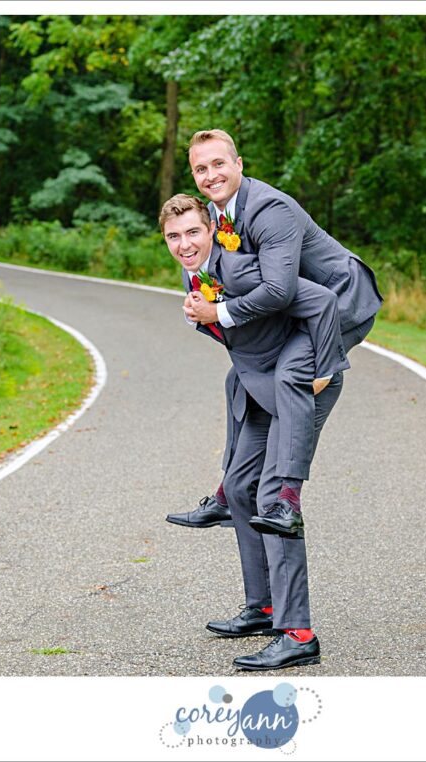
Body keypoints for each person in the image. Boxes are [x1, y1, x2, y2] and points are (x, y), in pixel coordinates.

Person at [160, 195, 346, 670]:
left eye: (193, 233)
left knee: (272, 500)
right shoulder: (193, 274)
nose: (184, 245)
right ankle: (263, 609)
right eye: (173, 237)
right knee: (241, 488)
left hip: (302, 385)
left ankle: (297, 633)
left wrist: (324, 369)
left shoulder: (240, 269)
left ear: (212, 229)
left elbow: (323, 301)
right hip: (260, 383)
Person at [167, 128, 382, 537]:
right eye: (200, 169)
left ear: (239, 164)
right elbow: (214, 268)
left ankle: (288, 501)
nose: (211, 175)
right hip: (296, 309)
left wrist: (219, 311)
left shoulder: (270, 209)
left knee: (290, 375)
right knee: (241, 380)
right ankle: (227, 494)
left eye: (218, 164)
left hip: (339, 300)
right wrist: (199, 309)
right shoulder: (212, 215)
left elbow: (279, 290)